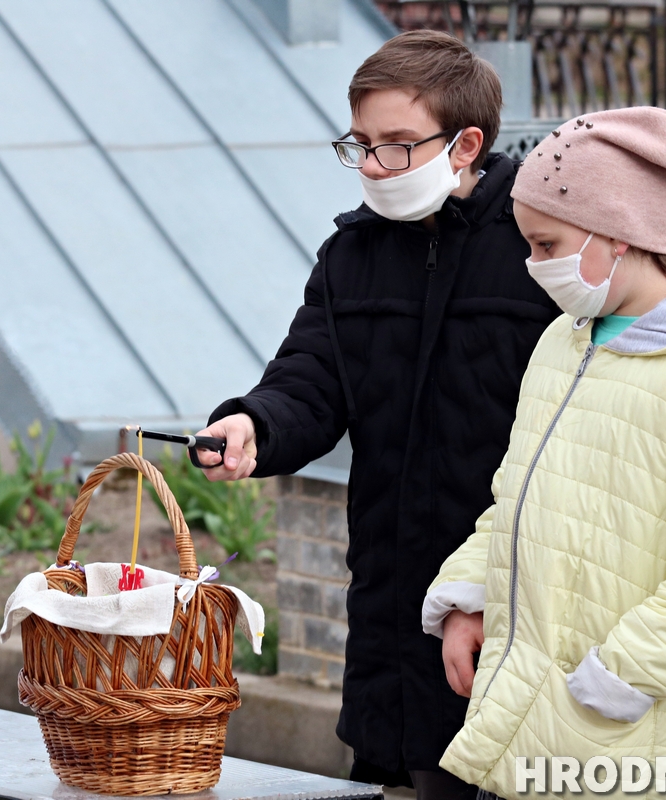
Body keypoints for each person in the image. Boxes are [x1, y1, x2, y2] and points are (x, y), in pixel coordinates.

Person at [195, 31, 559, 800]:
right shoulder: (351, 255)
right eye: (359, 143)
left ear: (466, 144)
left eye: (395, 145)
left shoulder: (540, 250)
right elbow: (310, 376)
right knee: (389, 770)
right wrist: (256, 426)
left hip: (511, 604)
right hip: (389, 606)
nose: (369, 165)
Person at [422, 107, 666, 800]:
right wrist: (471, 594)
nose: (535, 264)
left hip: (654, 744)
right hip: (553, 724)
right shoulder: (565, 342)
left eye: (547, 242)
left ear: (618, 234)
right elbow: (521, 495)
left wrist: (618, 676)